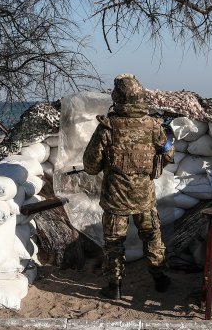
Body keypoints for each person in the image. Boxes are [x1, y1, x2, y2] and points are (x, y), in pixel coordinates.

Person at [83, 73, 175, 300]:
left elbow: (90, 165)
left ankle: (114, 286)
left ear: (117, 97)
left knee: (114, 243)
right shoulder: (154, 125)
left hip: (115, 197)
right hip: (144, 196)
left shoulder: (108, 128)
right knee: (152, 237)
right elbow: (168, 153)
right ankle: (160, 278)